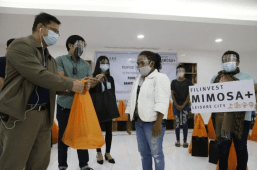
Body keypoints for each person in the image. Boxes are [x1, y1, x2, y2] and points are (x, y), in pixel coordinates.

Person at [0, 12, 86, 170]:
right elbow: (39, 75)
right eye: (53, 31)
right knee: (14, 163)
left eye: (58, 33)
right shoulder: (21, 45)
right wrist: (72, 85)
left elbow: (54, 83)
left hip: (44, 116)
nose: (56, 35)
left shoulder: (49, 57)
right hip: (22, 115)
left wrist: (81, 88)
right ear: (40, 27)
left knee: (40, 163)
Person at [56, 35, 99, 170]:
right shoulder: (60, 60)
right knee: (63, 135)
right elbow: (60, 78)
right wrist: (81, 81)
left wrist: (93, 81)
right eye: (79, 46)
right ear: (70, 45)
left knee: (82, 135)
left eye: (82, 47)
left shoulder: (85, 64)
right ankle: (62, 165)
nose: (81, 49)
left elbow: (90, 83)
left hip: (81, 105)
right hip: (65, 104)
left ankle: (84, 165)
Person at [210, 51, 257, 170]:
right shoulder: (216, 78)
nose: (227, 63)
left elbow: (254, 93)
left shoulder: (247, 76)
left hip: (242, 120)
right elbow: (210, 97)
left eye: (230, 61)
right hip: (222, 120)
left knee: (241, 148)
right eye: (225, 61)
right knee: (223, 150)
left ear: (238, 62)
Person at [126, 51, 170, 170]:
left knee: (156, 154)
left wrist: (158, 123)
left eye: (142, 63)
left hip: (153, 123)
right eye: (138, 64)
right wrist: (129, 120)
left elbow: (162, 102)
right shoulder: (138, 80)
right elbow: (131, 101)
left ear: (152, 63)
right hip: (139, 123)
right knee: (144, 154)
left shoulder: (160, 77)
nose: (139, 66)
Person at [89, 56, 116, 165]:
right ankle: (99, 153)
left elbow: (112, 93)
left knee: (109, 131)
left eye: (107, 63)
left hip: (108, 107)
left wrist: (114, 107)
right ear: (98, 64)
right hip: (97, 108)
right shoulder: (93, 78)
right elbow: (91, 92)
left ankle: (107, 153)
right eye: (103, 62)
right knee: (97, 132)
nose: (105, 64)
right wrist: (97, 81)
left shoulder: (110, 78)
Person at [171, 65, 192, 148]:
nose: (180, 72)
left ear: (184, 72)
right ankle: (178, 140)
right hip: (176, 103)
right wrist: (176, 104)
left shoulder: (188, 82)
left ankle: (185, 141)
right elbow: (172, 94)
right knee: (176, 123)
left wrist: (183, 105)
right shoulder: (173, 82)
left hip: (185, 104)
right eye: (179, 70)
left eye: (182, 70)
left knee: (184, 123)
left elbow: (189, 94)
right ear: (176, 72)